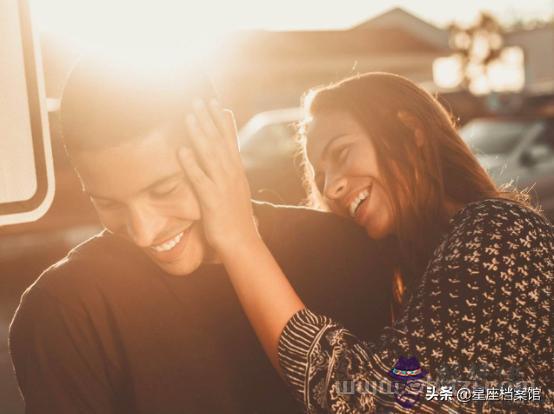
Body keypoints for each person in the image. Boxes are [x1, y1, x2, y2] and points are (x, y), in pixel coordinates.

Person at [8, 59, 397, 413]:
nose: (143, 232)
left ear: (223, 140)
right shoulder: (65, 310)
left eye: (164, 190)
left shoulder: (342, 253)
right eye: (108, 203)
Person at [180, 72, 553, 413]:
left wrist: (240, 238)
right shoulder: (411, 270)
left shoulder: (500, 232)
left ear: (411, 132)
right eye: (321, 174)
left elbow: (387, 398)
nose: (331, 186)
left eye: (341, 153)